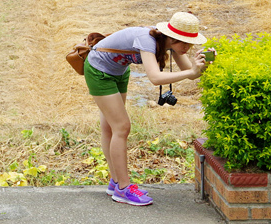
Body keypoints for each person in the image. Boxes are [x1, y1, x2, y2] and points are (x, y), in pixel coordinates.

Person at [84, 11, 212, 206]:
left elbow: (192, 75)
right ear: (170, 36)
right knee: (121, 127)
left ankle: (115, 182)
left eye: (190, 42)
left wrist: (203, 65)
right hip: (99, 71)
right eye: (183, 42)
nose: (186, 46)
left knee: (111, 128)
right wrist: (191, 71)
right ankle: (123, 188)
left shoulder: (172, 44)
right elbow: (155, 78)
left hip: (118, 72)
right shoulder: (148, 40)